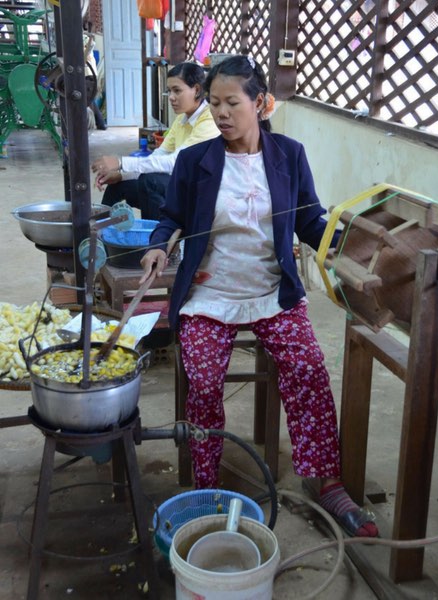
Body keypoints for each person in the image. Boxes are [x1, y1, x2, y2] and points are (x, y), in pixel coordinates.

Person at [140, 55, 378, 537]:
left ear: (262, 103)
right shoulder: (195, 160)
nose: (222, 113)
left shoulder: (288, 155)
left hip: (272, 292)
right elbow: (171, 218)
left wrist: (342, 247)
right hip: (211, 295)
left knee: (309, 367)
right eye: (214, 103)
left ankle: (324, 479)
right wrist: (156, 247)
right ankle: (207, 486)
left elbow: (311, 221)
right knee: (203, 379)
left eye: (232, 102)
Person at [91, 62, 219, 221]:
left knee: (150, 182)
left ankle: (158, 242)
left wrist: (120, 162)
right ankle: (99, 234)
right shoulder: (182, 118)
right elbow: (157, 156)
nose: (171, 97)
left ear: (197, 90)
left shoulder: (209, 120)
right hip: (180, 186)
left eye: (177, 91)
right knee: (119, 185)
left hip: (199, 195)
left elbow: (177, 162)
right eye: (169, 91)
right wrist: (122, 175)